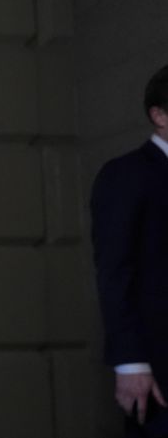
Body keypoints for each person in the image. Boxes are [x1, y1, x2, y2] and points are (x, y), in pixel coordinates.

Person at [91, 64, 168, 437]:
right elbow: (114, 270)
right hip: (158, 366)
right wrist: (130, 362)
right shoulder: (126, 175)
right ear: (159, 115)